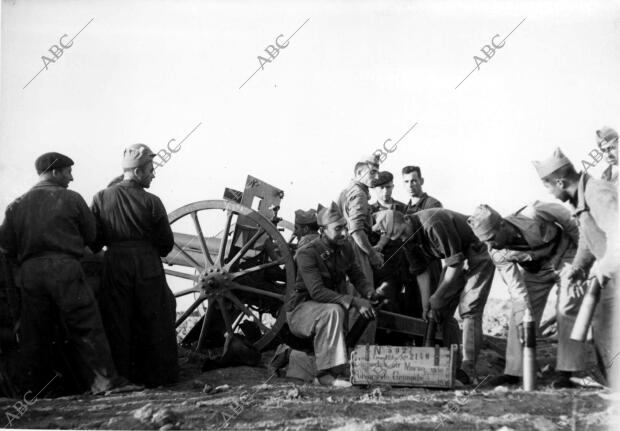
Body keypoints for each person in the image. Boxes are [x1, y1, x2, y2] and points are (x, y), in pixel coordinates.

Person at [0, 152, 131, 395]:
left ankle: (35, 392)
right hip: (65, 268)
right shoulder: (71, 198)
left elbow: (6, 246)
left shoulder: (16, 205)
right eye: (68, 171)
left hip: (30, 273)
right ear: (54, 171)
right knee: (86, 326)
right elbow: (92, 236)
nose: (71, 177)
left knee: (35, 334)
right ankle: (104, 383)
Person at [468, 203, 586, 388]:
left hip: (566, 258)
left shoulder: (535, 212)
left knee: (567, 308)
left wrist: (582, 261)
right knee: (519, 314)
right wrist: (525, 315)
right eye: (485, 242)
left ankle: (567, 373)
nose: (490, 245)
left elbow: (572, 223)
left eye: (491, 238)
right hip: (536, 272)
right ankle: (514, 372)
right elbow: (516, 288)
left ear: (502, 225)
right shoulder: (497, 253)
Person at [91, 144, 178, 387]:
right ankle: (159, 377)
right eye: (151, 170)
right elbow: (165, 244)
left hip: (115, 263)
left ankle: (122, 376)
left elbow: (95, 240)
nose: (153, 174)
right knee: (155, 317)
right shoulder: (152, 201)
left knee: (117, 320)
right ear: (138, 172)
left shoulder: (100, 198)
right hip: (147, 264)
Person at [373, 209, 495, 383]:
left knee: (469, 309)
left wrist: (437, 296)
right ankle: (451, 366)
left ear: (407, 219)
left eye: (402, 234)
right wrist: (426, 305)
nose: (402, 239)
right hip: (456, 259)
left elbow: (455, 264)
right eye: (397, 238)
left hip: (477, 251)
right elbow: (421, 272)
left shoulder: (432, 223)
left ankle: (468, 370)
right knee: (439, 312)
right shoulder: (406, 238)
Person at [533, 147, 618, 386]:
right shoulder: (580, 200)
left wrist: (604, 267)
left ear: (560, 181)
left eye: (548, 186)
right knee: (604, 330)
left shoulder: (597, 192)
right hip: (611, 275)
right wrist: (579, 267)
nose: (549, 193)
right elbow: (587, 238)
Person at [286, 202, 378, 387]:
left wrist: (369, 291)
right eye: (338, 229)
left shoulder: (345, 248)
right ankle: (323, 376)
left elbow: (356, 274)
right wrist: (355, 302)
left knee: (335, 313)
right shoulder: (307, 253)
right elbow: (317, 292)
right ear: (323, 230)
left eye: (345, 227)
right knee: (333, 311)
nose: (344, 233)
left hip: (328, 310)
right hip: (300, 311)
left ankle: (291, 358)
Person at [337, 155, 384, 284]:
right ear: (359, 172)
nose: (377, 177)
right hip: (355, 248)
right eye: (372, 172)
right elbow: (356, 230)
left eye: (377, 172)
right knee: (363, 291)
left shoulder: (348, 190)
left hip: (345, 247)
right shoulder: (359, 193)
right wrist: (373, 255)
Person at [368, 171, 406, 312]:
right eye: (381, 188)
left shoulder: (404, 209)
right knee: (383, 305)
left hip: (403, 268)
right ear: (374, 189)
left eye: (389, 187)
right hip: (380, 270)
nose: (385, 191)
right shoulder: (369, 212)